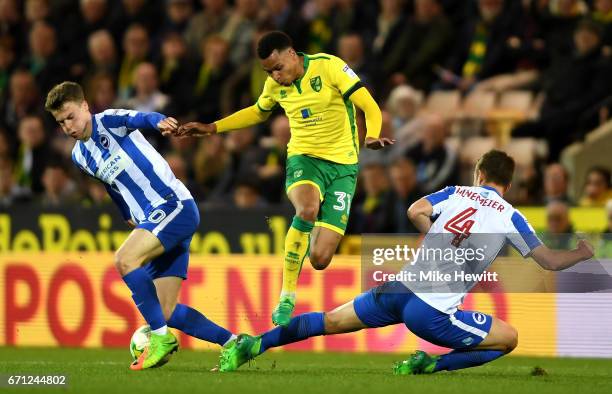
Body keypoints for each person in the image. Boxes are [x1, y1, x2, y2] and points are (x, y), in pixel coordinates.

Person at [217, 150, 594, 374]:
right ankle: (429, 364)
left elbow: (416, 210)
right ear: (507, 184)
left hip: (398, 290)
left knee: (329, 321)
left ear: (478, 174)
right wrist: (580, 253)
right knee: (508, 339)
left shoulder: (456, 191)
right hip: (431, 312)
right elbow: (548, 262)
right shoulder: (512, 215)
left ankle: (252, 346)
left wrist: (435, 232)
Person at [174, 31, 393, 327]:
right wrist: (213, 127)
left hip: (343, 168)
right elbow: (257, 112)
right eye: (269, 72)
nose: (275, 77)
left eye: (278, 68)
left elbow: (369, 105)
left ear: (292, 54)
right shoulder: (274, 86)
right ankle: (287, 295)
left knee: (320, 258)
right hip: (304, 159)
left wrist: (373, 134)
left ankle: (302, 242)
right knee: (306, 209)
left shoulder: (329, 66)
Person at [44, 81, 236, 370]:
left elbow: (139, 118)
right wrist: (125, 214)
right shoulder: (79, 156)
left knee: (124, 259)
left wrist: (161, 122)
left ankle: (160, 338)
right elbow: (111, 186)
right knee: (166, 309)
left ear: (85, 106)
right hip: (151, 217)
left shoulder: (108, 121)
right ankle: (235, 343)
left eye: (70, 116)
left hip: (173, 204)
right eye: (61, 123)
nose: (68, 126)